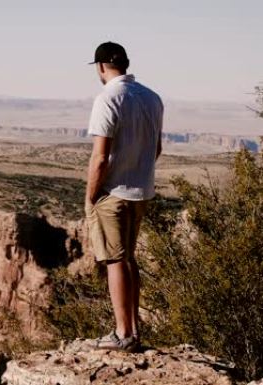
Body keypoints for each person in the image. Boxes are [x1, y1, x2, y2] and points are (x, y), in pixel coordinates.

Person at [84, 41, 163, 352]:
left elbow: (100, 157)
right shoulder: (152, 98)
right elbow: (156, 148)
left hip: (113, 192)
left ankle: (122, 333)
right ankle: (133, 331)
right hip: (141, 190)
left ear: (102, 67)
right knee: (128, 259)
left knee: (115, 261)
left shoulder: (108, 98)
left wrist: (92, 195)